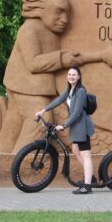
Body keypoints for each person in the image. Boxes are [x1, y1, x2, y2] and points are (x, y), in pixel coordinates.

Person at [0, 0, 84, 153]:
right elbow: (33, 63)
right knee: (41, 118)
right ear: (42, 10)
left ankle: (3, 153)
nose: (64, 19)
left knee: (14, 121)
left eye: (67, 14)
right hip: (25, 86)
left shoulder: (51, 32)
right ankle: (23, 158)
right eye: (59, 12)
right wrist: (62, 59)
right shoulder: (29, 31)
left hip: (38, 88)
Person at [36, 66, 96, 194]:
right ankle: (91, 178)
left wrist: (64, 125)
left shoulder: (80, 91)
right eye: (69, 74)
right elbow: (58, 100)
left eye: (74, 75)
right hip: (76, 126)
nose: (71, 77)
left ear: (79, 77)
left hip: (82, 127)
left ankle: (88, 186)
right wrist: (44, 110)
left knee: (86, 155)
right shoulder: (70, 89)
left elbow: (77, 113)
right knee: (76, 150)